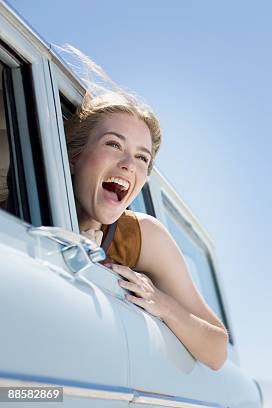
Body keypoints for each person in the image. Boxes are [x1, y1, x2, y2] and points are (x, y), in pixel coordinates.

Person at [64, 48, 228, 371]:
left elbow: (218, 349)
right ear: (75, 155)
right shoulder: (24, 203)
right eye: (114, 145)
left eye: (142, 158)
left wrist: (159, 302)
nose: (128, 166)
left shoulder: (141, 235)